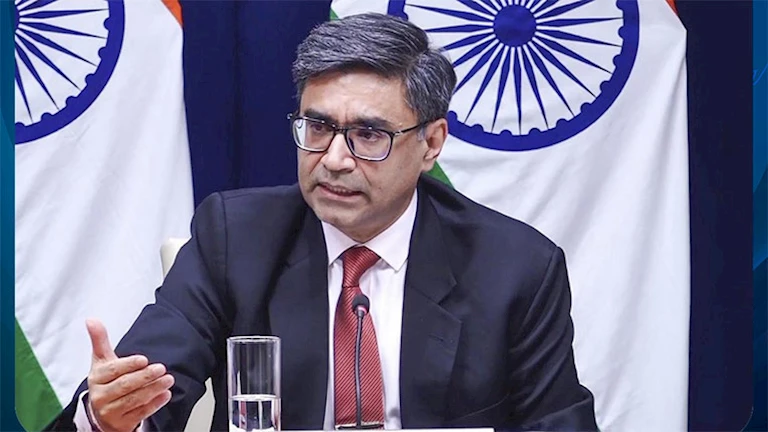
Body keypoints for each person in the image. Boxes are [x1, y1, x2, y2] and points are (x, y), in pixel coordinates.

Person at [46, 12, 597, 432]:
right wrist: (108, 417)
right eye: (317, 127)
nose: (333, 159)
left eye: (368, 135)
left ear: (431, 143)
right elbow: (151, 386)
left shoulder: (516, 266)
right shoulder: (235, 237)